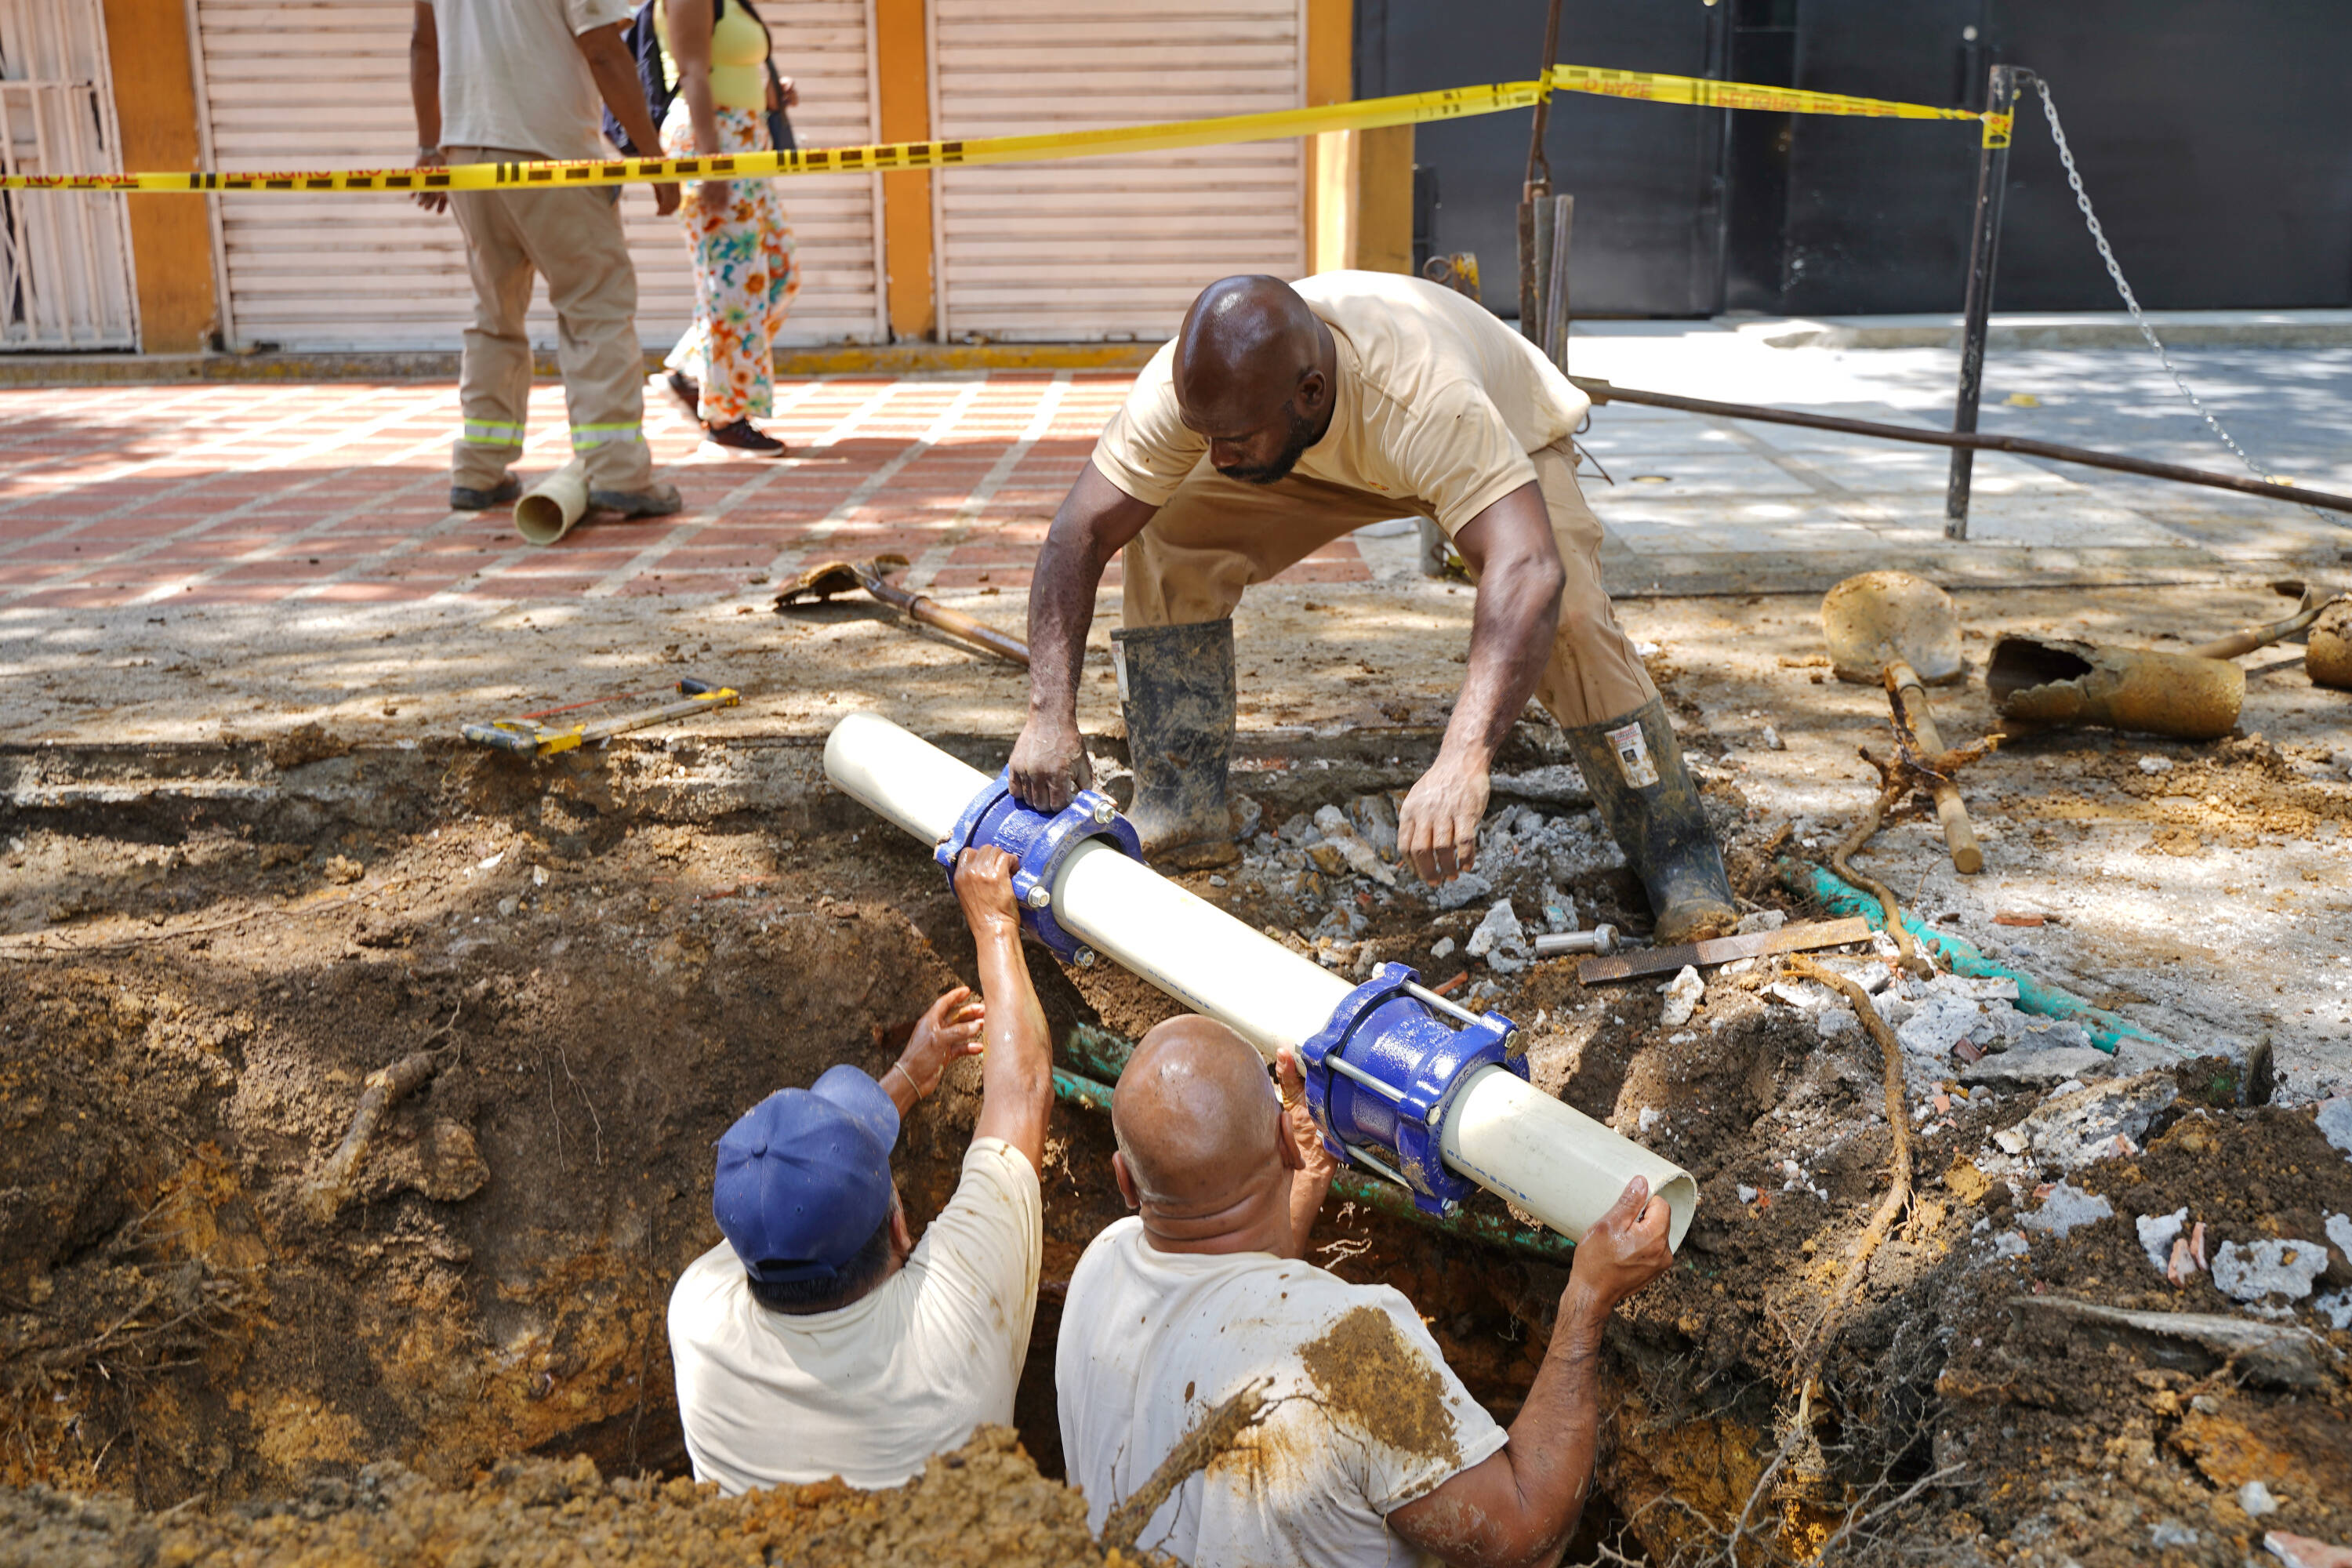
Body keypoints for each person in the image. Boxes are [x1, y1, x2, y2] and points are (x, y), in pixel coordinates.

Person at [1008, 270, 1736, 943]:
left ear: (1311, 392)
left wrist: (1462, 760)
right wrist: (1047, 716)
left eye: (1232, 439)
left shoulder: (1426, 395)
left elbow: (1527, 567)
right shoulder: (1195, 392)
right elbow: (1080, 532)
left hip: (1502, 441)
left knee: (1567, 612)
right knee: (1167, 527)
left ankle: (1676, 852)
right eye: (1206, 436)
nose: (1217, 456)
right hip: (1313, 456)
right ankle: (1181, 801)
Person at [1056, 1015, 1674, 1566]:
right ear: (1283, 1140)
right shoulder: (1350, 1348)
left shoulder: (1100, 1266)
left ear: (1126, 1182)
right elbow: (1523, 1532)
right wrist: (1587, 1298)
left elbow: (1229, 1319)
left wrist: (1306, 1176)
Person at [666, 845, 1053, 1493]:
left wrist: (905, 1079)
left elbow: (783, 1206)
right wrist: (994, 925)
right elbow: (1023, 1095)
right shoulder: (954, 1316)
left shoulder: (700, 1316)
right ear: (901, 1229)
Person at [409, 0, 682, 517]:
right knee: (596, 309)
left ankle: (478, 469)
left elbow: (425, 45)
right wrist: (652, 156)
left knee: (494, 314)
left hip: (465, 154)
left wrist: (429, 147)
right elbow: (603, 50)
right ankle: (619, 473)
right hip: (550, 152)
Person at [653, 0, 801, 458]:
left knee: (778, 272)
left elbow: (728, 70)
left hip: (745, 138)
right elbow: (693, 73)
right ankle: (725, 419)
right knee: (731, 281)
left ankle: (692, 373)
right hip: (713, 141)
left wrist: (769, 95)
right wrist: (711, 163)